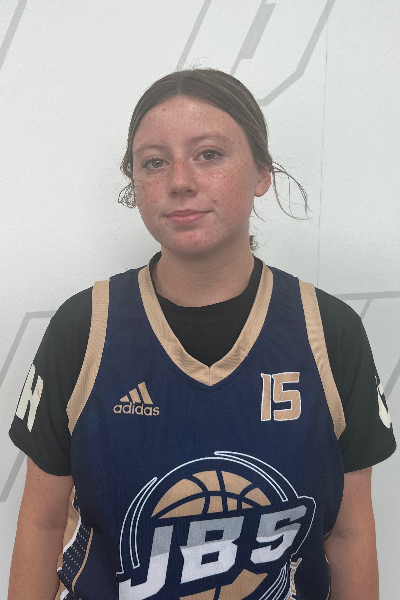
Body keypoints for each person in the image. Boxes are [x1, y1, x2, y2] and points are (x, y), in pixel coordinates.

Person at [8, 69, 396, 600]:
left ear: (262, 173)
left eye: (208, 154)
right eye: (154, 162)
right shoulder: (83, 328)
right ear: (135, 184)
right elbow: (43, 524)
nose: (180, 181)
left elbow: (349, 533)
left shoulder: (329, 331)